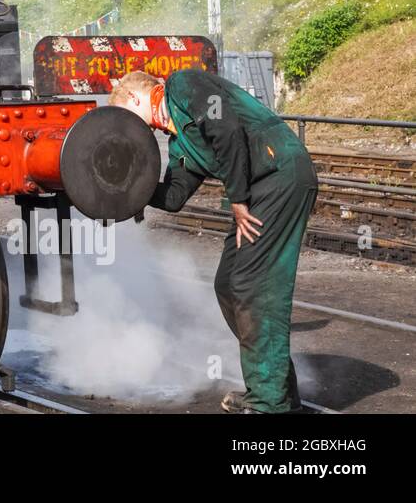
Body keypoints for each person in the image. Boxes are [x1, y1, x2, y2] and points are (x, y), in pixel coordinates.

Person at [107, 68, 318, 413]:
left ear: (133, 97)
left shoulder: (184, 86)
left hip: (281, 175)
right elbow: (174, 196)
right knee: (228, 284)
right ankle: (275, 390)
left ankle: (268, 403)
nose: (130, 130)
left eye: (125, 117)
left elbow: (226, 128)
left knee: (253, 284)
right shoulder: (180, 143)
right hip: (259, 190)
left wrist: (236, 199)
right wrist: (128, 191)